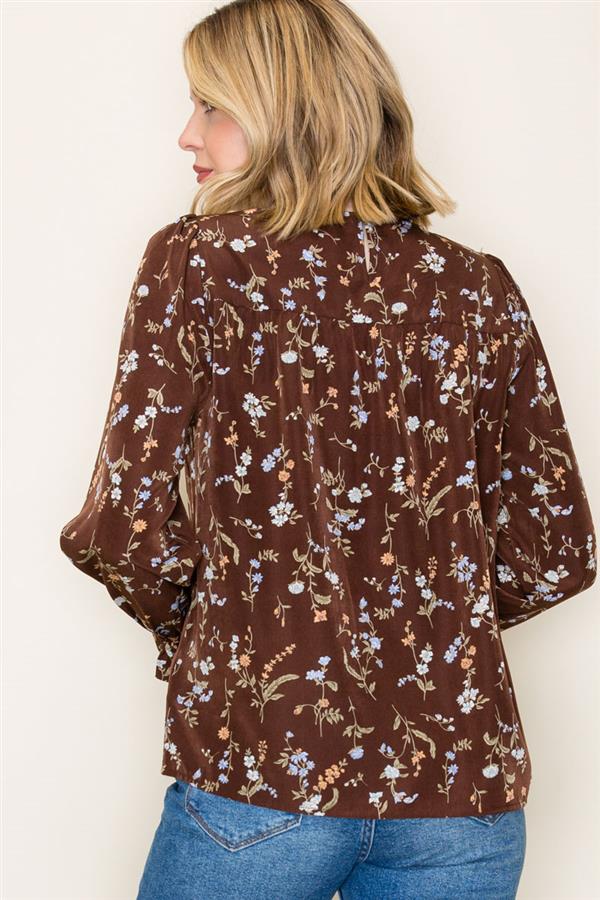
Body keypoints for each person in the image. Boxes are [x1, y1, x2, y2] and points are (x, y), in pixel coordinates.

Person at [58, 1, 597, 898]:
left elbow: (123, 531)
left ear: (287, 111)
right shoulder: (477, 287)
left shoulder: (200, 263)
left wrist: (228, 635)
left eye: (211, 106)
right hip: (464, 798)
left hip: (264, 772)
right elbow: (556, 552)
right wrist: (418, 629)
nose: (187, 133)